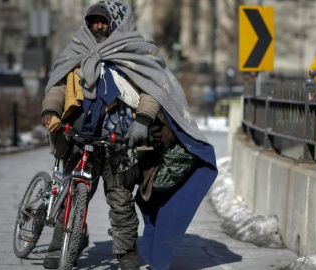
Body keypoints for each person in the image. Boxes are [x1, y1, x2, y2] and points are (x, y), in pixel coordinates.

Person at [40, 2, 218, 270]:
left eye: (103, 20)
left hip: (119, 142)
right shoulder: (78, 48)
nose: (98, 26)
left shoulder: (138, 51)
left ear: (118, 22)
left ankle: (127, 256)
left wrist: (143, 121)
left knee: (120, 201)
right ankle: (60, 249)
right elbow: (60, 85)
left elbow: (154, 90)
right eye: (93, 21)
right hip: (80, 137)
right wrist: (50, 110)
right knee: (71, 197)